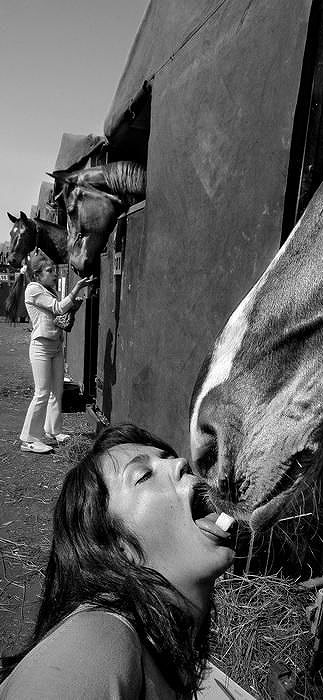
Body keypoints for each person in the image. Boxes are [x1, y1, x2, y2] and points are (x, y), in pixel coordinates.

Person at [0, 423, 235, 699]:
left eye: (168, 458)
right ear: (115, 547)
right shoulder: (95, 647)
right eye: (144, 475)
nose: (181, 462)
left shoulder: (161, 646)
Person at [19, 250, 95, 454]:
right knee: (42, 392)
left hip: (55, 345)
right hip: (41, 347)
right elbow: (59, 308)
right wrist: (77, 287)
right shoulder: (33, 288)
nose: (54, 274)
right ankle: (29, 438)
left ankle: (53, 430)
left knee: (56, 391)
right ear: (37, 275)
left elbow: (58, 317)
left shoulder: (46, 290)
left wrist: (73, 308)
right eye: (49, 271)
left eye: (53, 270)